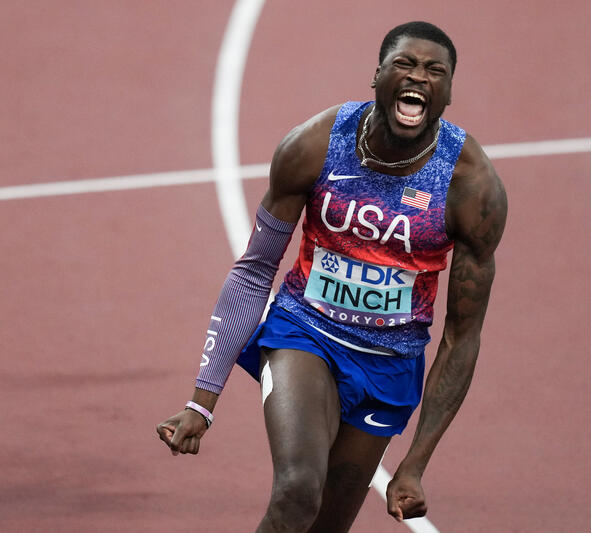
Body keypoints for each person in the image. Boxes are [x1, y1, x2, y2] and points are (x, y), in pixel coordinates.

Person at [156, 20, 507, 533]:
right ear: (377, 77)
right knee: (297, 491)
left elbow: (461, 336)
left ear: (449, 92)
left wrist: (414, 463)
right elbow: (255, 271)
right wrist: (201, 402)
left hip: (390, 364)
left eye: (436, 71)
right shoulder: (315, 145)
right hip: (306, 333)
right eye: (405, 64)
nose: (420, 78)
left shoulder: (472, 188)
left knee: (323, 525)